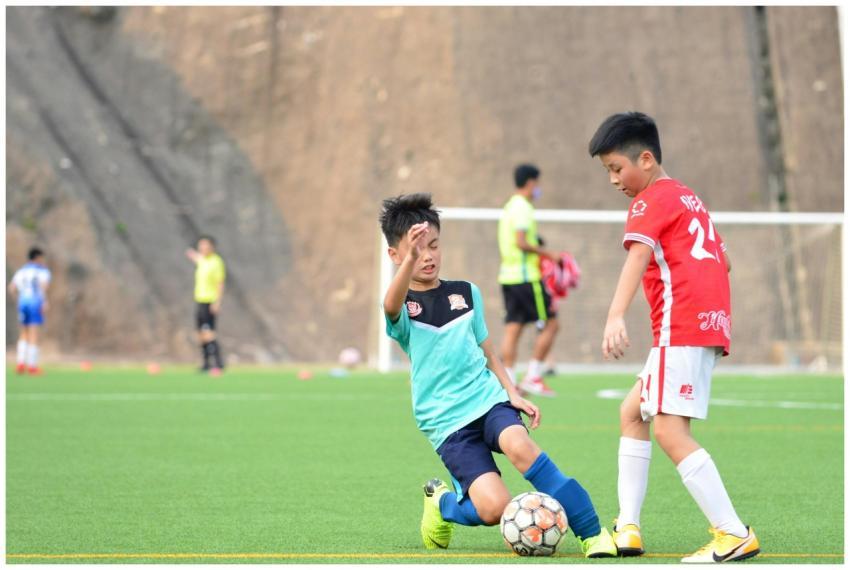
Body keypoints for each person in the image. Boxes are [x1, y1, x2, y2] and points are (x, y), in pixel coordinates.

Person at [379, 193, 616, 558]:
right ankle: (442, 504)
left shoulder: (465, 293)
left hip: (488, 399)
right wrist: (409, 259)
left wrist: (512, 392)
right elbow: (390, 304)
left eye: (434, 245)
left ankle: (593, 534)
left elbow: (488, 351)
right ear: (395, 255)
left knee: (522, 448)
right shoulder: (402, 307)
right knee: (493, 509)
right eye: (416, 249)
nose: (427, 256)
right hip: (446, 419)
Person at [588, 111, 759, 563]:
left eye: (616, 168)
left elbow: (638, 256)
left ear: (645, 159)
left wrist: (615, 316)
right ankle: (628, 527)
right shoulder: (688, 197)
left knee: (668, 429)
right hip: (706, 324)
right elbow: (724, 262)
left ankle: (732, 533)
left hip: (678, 326)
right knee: (632, 413)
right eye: (607, 171)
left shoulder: (649, 201)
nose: (613, 179)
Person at [497, 164, 559, 397]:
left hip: (508, 277)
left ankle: (509, 382)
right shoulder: (523, 207)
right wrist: (548, 254)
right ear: (531, 183)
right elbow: (521, 242)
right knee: (552, 324)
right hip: (526, 278)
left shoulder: (509, 206)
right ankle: (533, 376)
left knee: (513, 328)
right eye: (537, 183)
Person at [185, 235, 226, 375]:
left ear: (212, 247)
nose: (203, 247)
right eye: (201, 245)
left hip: (210, 301)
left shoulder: (216, 261)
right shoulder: (202, 260)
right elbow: (196, 257)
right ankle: (206, 363)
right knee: (200, 333)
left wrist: (217, 302)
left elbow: (220, 283)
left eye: (205, 245)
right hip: (199, 300)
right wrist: (191, 253)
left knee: (209, 333)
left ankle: (218, 362)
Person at [9, 247, 51, 375]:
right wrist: (44, 301)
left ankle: (20, 363)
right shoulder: (42, 271)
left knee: (24, 332)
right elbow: (43, 286)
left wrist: (19, 299)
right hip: (35, 303)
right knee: (34, 333)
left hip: (23, 302)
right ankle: (32, 366)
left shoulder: (21, 271)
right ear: (38, 258)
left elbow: (11, 288)